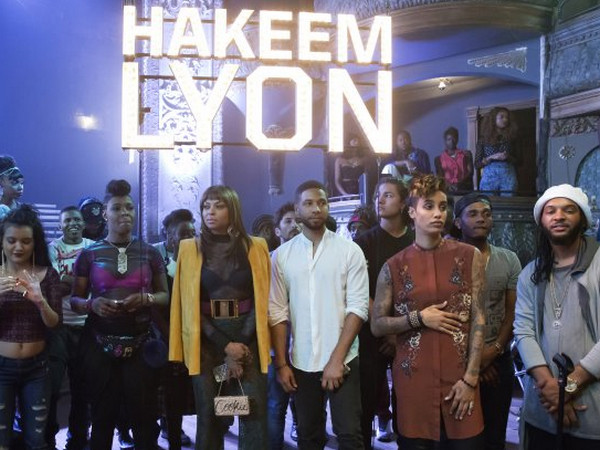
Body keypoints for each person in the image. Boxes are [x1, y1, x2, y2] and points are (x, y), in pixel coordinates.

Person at [371, 174, 486, 450]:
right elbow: (377, 325)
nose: (438, 214)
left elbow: (479, 319)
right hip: (414, 383)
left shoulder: (469, 256)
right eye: (429, 206)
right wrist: (419, 318)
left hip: (460, 379)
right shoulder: (393, 266)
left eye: (442, 207)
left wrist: (471, 379)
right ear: (411, 212)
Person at [169, 185, 271, 449]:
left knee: (253, 411)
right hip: (206, 342)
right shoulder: (189, 249)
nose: (210, 212)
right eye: (206, 206)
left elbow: (262, 299)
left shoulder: (256, 246)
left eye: (218, 205)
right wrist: (225, 346)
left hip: (248, 339)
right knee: (210, 414)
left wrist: (239, 347)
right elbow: (188, 305)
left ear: (232, 209)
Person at [270, 180, 369, 449]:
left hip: (344, 358)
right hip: (301, 361)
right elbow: (277, 312)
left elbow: (358, 308)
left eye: (322, 202)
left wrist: (336, 360)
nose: (316, 208)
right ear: (297, 209)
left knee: (349, 435)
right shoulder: (281, 256)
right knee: (308, 436)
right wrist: (281, 364)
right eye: (309, 203)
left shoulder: (349, 251)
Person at [70, 179, 169, 449]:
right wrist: (93, 305)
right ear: (105, 213)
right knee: (102, 418)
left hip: (140, 342)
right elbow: (75, 300)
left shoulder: (149, 252)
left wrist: (146, 298)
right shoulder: (89, 254)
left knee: (144, 420)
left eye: (129, 207)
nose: (124, 212)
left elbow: (165, 295)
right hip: (99, 343)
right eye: (116, 208)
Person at [514, 184, 600, 448]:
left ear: (583, 219)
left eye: (568, 210)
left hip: (592, 411)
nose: (559, 216)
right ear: (541, 220)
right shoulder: (530, 273)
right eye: (550, 211)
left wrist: (569, 387)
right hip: (543, 409)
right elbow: (524, 332)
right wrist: (550, 389)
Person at [454, 193, 522, 450]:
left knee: (495, 436)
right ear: (458, 222)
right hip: (457, 358)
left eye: (486, 214)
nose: (481, 219)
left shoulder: (508, 259)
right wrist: (475, 360)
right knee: (461, 437)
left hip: (498, 358)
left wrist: (491, 353)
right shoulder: (448, 259)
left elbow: (512, 311)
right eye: (472, 214)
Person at [354, 177, 414, 448]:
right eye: (378, 195)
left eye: (388, 195)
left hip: (410, 333)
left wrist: (399, 331)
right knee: (365, 403)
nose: (380, 200)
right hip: (372, 333)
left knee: (408, 405)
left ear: (403, 203)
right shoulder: (364, 241)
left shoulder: (416, 240)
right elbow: (359, 289)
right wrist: (385, 328)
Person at [0, 205, 62, 449]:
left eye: (26, 241)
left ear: (35, 243)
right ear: (2, 241)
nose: (18, 247)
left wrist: (40, 301)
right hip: (1, 368)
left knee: (36, 440)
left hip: (37, 368)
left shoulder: (48, 275)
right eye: (11, 240)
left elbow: (55, 323)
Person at [46, 206, 95, 449]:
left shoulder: (93, 247)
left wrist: (70, 283)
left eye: (77, 220)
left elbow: (97, 282)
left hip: (87, 327)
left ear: (83, 224)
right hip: (59, 326)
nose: (73, 224)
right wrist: (83, 281)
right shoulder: (52, 248)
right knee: (52, 387)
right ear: (60, 226)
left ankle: (78, 440)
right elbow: (52, 283)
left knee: (82, 389)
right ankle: (48, 439)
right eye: (67, 221)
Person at [153, 209, 196, 449]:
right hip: (164, 336)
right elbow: (154, 305)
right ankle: (169, 433)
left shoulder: (199, 257)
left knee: (186, 391)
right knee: (167, 391)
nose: (190, 237)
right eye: (184, 233)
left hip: (194, 336)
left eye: (192, 232)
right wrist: (170, 334)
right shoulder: (155, 257)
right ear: (169, 237)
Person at [267, 202, 301, 449]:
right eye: (288, 221)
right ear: (277, 230)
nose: (294, 225)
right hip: (276, 341)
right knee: (275, 404)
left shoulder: (312, 259)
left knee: (306, 403)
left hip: (305, 341)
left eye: (297, 220)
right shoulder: (268, 260)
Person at [475, 107, 520, 196]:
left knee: (508, 202)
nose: (505, 120)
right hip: (489, 178)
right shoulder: (483, 140)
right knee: (488, 202)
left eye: (507, 117)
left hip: (508, 177)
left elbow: (520, 161)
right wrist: (491, 157)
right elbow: (477, 164)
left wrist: (508, 157)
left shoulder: (513, 138)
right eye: (502, 117)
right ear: (493, 119)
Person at [434, 127, 474, 194]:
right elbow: (440, 177)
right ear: (445, 141)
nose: (452, 141)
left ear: (457, 139)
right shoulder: (439, 159)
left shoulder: (466, 155)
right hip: (447, 191)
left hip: (464, 190)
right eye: (449, 139)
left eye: (453, 138)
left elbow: (470, 173)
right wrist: (449, 185)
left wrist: (459, 185)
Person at [0, 156, 24, 221]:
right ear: (1, 181)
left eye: (21, 182)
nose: (20, 187)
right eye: (14, 182)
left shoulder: (23, 213)